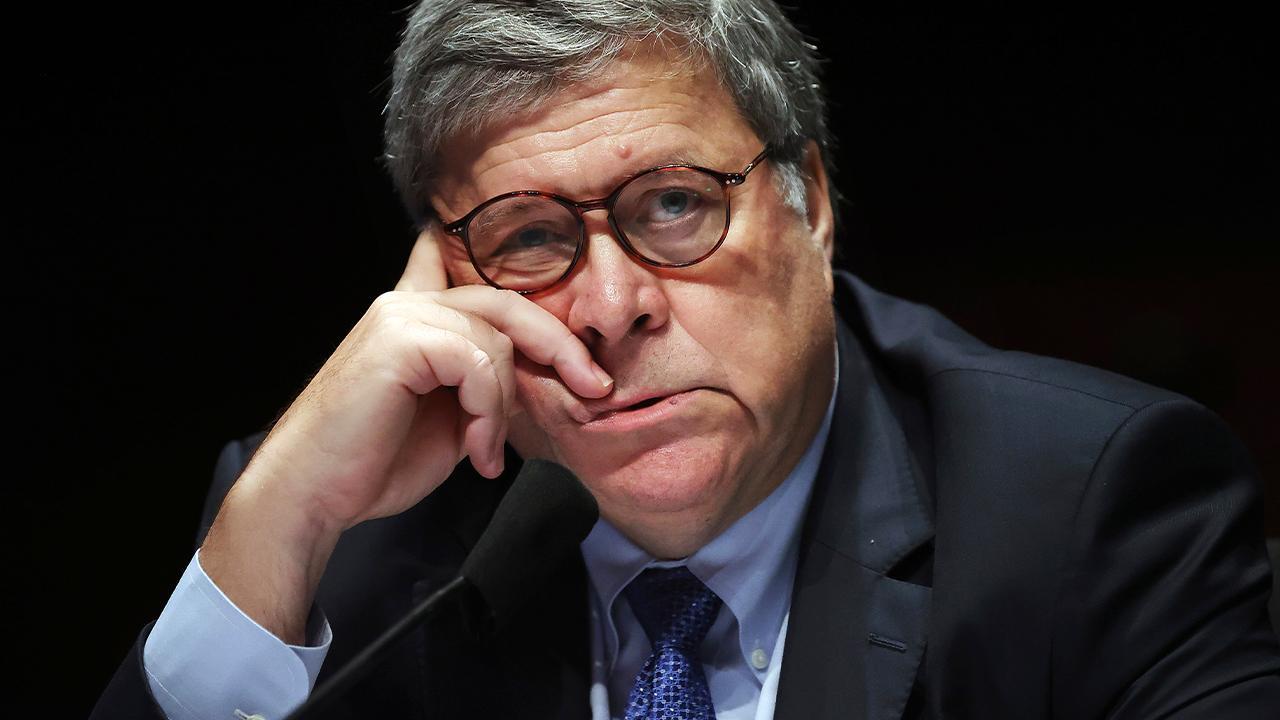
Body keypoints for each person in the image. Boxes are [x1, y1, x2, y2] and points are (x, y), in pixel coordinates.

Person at [92, 1, 1280, 718]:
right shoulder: (343, 541)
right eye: (529, 238)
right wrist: (279, 524)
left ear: (810, 204)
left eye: (672, 204)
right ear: (443, 280)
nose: (609, 307)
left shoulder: (1081, 509)